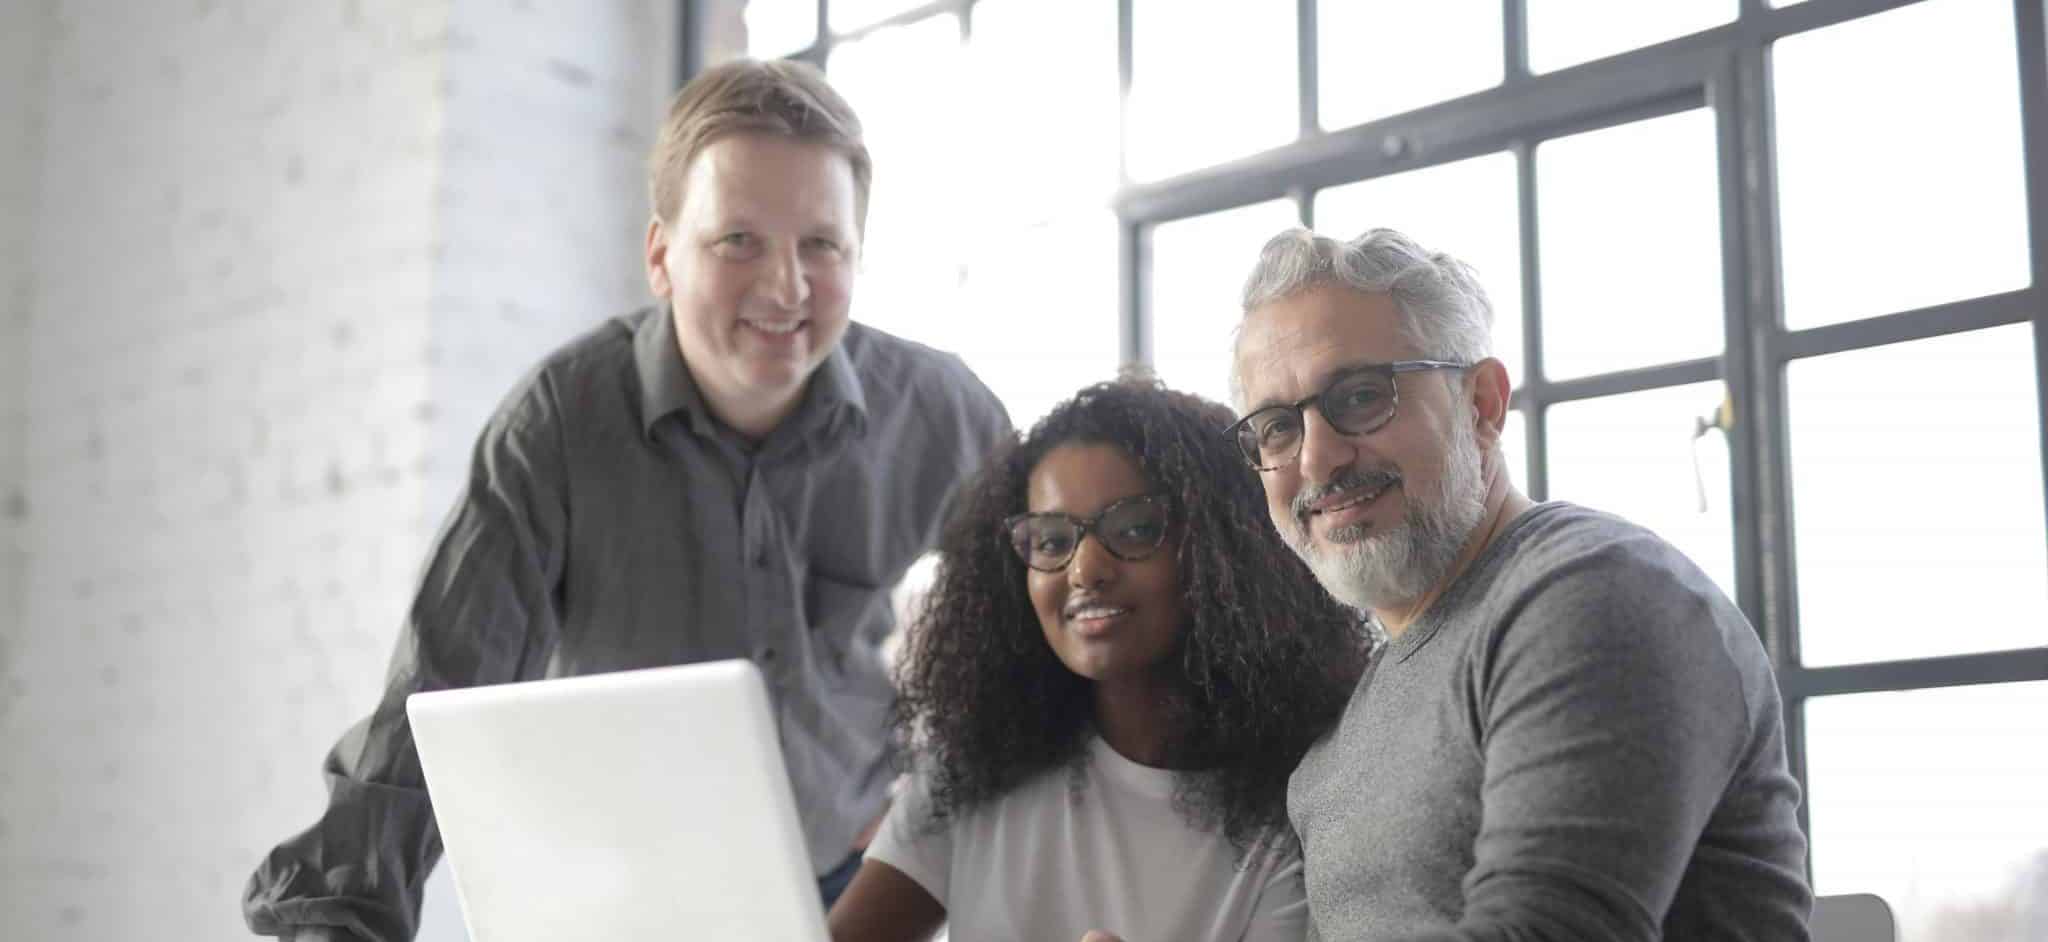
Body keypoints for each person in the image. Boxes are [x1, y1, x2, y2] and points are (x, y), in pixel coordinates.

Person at [242, 59, 1010, 942]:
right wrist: (338, 920)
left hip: (854, 893)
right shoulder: (557, 426)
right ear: (660, 256)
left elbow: (1037, 639)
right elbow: (441, 684)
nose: (785, 287)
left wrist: (931, 801)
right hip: (620, 900)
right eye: (739, 241)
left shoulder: (946, 414)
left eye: (821, 245)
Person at [1196, 227, 1813, 941]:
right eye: (1276, 428)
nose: (1319, 458)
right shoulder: (1346, 731)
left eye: (1362, 396)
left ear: (1482, 405)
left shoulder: (1594, 596)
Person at [826, 379, 1370, 942]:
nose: (1085, 570)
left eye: (1134, 530)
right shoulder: (973, 761)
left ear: (1223, 548)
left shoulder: (1302, 807)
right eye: (1052, 541)